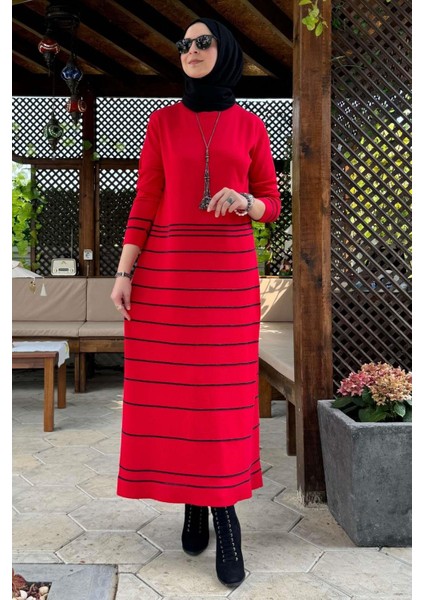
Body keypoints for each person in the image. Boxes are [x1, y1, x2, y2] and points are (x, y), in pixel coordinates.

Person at [110, 17, 281, 588]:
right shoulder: (160, 122)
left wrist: (245, 201)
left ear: (224, 51)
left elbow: (272, 204)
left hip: (228, 281)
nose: (191, 50)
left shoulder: (252, 125)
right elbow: (146, 199)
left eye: (203, 42)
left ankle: (225, 517)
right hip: (167, 278)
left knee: (222, 398)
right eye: (184, 44)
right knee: (177, 395)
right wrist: (124, 272)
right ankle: (191, 500)